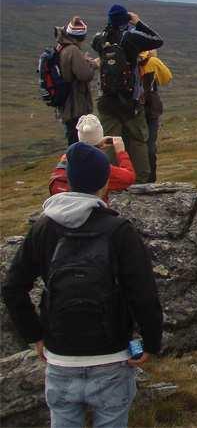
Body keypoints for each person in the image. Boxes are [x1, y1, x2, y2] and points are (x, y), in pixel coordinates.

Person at [2, 142, 163, 428]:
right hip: (112, 357)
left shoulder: (43, 227)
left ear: (70, 180)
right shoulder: (119, 230)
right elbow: (144, 294)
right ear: (104, 183)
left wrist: (35, 335)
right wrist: (150, 342)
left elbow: (13, 287)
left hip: (60, 356)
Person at [92, 4, 164, 184]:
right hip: (131, 102)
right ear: (126, 20)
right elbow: (157, 40)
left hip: (106, 102)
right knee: (138, 140)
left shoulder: (99, 39)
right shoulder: (131, 37)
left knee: (108, 142)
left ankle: (109, 180)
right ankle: (141, 181)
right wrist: (138, 22)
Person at [49, 114, 136, 202]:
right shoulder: (99, 166)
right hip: (91, 212)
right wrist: (121, 152)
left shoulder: (67, 158)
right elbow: (129, 178)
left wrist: (96, 144)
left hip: (61, 209)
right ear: (100, 137)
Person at [54, 16, 99, 145]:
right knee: (76, 141)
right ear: (81, 37)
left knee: (72, 137)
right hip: (75, 105)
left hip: (66, 103)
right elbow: (84, 75)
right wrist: (93, 65)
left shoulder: (61, 47)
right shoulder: (73, 50)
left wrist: (83, 61)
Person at [138, 50, 172, 183]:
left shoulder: (125, 56)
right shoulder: (152, 61)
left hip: (130, 110)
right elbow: (167, 78)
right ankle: (150, 179)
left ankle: (136, 177)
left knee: (134, 144)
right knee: (150, 146)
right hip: (150, 109)